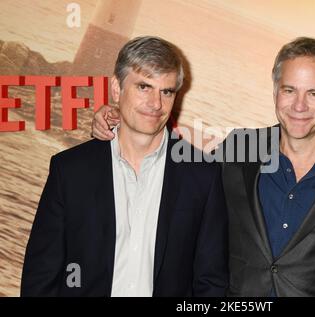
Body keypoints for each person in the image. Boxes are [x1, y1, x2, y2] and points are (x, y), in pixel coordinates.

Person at [91, 37, 315, 296]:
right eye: (289, 90)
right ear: (276, 90)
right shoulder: (241, 149)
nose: (299, 106)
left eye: (313, 93)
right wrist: (120, 120)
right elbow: (178, 167)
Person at [21, 36, 229, 297]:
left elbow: (211, 282)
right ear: (117, 89)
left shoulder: (202, 177)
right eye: (144, 87)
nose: (156, 104)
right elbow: (41, 275)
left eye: (166, 91)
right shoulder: (70, 171)